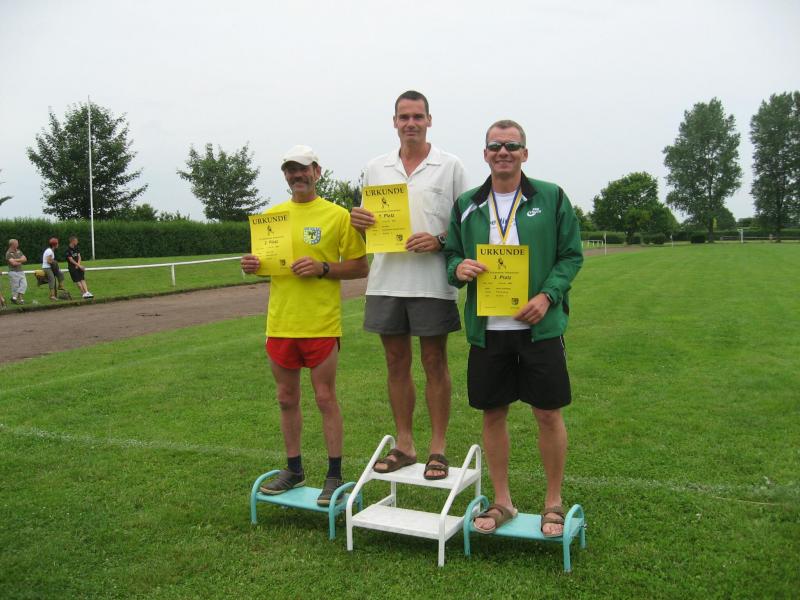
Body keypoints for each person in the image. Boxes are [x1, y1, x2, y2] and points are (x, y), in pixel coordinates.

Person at [443, 119, 583, 536]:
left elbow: (571, 255)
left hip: (539, 325)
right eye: (495, 146)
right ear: (485, 154)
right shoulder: (467, 203)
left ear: (525, 152)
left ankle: (553, 502)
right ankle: (502, 500)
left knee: (547, 413)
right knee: (493, 413)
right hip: (488, 329)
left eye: (511, 145)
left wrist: (547, 296)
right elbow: (451, 255)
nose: (503, 152)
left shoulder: (551, 197)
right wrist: (458, 268)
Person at [350, 90, 468, 480]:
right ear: (394, 122)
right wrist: (359, 222)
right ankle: (404, 444)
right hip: (386, 280)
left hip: (432, 282)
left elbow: (467, 223)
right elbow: (368, 223)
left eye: (418, 116)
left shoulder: (450, 166)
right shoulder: (375, 167)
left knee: (434, 362)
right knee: (395, 362)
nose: (411, 123)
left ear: (429, 120)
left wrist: (439, 240)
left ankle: (438, 449)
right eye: (404, 117)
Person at [241, 145, 368, 506]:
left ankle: (334, 474)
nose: (297, 175)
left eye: (303, 168)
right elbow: (268, 264)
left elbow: (360, 266)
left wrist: (322, 268)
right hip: (281, 322)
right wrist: (252, 266)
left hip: (320, 322)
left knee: (325, 398)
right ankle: (294, 469)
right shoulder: (271, 217)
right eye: (290, 170)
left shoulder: (337, 216)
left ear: (317, 171)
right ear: (285, 175)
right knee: (285, 398)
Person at [5, 239, 28, 305]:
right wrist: (21, 260)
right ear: (12, 245)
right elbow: (14, 264)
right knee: (15, 287)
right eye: (16, 244)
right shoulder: (8, 253)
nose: (18, 245)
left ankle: (14, 298)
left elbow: (25, 259)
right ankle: (20, 299)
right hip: (13, 272)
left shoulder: (19, 251)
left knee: (24, 285)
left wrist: (16, 260)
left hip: (21, 271)